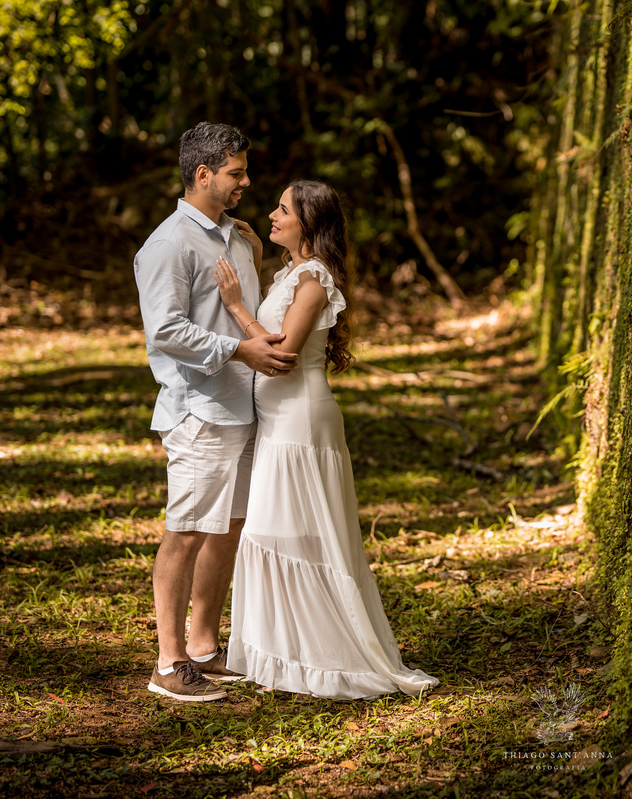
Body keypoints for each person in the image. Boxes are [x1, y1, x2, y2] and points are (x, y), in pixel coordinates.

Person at [213, 180, 438, 699]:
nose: (271, 213)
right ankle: (285, 651)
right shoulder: (292, 271)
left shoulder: (315, 277)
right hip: (277, 422)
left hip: (300, 422)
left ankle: (323, 655)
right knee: (275, 533)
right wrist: (249, 251)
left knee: (294, 533)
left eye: (283, 210)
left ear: (309, 225)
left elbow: (283, 354)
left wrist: (235, 307)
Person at [134, 122, 299, 702]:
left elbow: (246, 309)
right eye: (235, 173)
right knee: (184, 531)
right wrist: (238, 349)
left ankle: (204, 646)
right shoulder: (169, 244)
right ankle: (168, 661)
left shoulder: (238, 236)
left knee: (226, 528)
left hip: (245, 404)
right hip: (198, 408)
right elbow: (166, 331)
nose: (246, 182)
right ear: (203, 174)